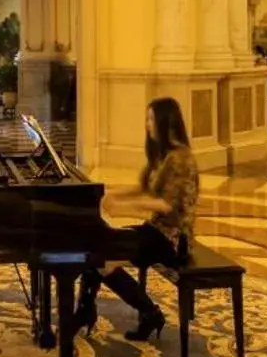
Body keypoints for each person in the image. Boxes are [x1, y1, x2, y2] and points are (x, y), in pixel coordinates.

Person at [79, 96, 197, 342]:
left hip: (173, 240)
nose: (147, 125)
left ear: (166, 122)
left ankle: (149, 313)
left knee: (103, 259)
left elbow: (166, 205)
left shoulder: (180, 158)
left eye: (151, 119)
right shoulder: (163, 155)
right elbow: (142, 187)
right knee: (95, 246)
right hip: (155, 230)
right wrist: (106, 193)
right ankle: (85, 311)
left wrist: (123, 206)